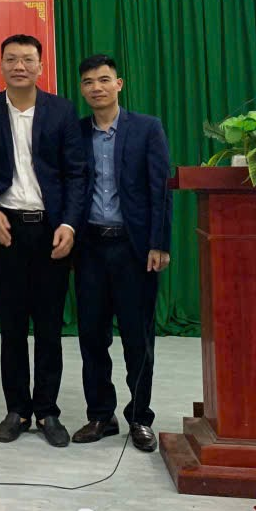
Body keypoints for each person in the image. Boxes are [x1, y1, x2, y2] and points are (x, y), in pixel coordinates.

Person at [0, 34, 86, 448]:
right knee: (12, 326)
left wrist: (69, 224)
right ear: (0, 64)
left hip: (51, 230)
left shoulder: (62, 110)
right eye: (12, 59)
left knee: (50, 326)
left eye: (28, 59)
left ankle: (48, 410)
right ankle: (16, 409)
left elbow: (76, 173)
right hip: (7, 230)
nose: (20, 66)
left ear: (40, 66)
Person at [70, 54, 171, 454]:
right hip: (90, 248)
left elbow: (160, 188)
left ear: (119, 84)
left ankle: (140, 417)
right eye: (88, 82)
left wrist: (159, 242)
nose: (96, 87)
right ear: (82, 89)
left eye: (103, 79)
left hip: (134, 249)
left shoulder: (147, 128)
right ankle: (101, 415)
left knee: (137, 338)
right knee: (92, 337)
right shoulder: (76, 133)